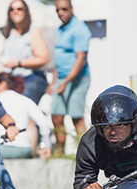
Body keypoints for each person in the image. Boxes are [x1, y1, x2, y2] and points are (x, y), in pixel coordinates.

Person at [48, 0, 91, 156]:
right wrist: (54, 81)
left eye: (64, 9)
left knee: (76, 117)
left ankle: (85, 155)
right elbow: (58, 59)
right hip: (61, 79)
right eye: (57, 9)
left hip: (77, 79)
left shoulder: (80, 29)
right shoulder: (60, 29)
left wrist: (66, 82)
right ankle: (60, 152)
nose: (60, 12)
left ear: (71, 8)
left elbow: (80, 60)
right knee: (56, 116)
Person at [0, 72, 52, 160]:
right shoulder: (25, 100)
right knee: (30, 124)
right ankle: (34, 154)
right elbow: (44, 123)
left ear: (3, 84)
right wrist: (45, 146)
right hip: (24, 149)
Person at [0, 0, 50, 105]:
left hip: (31, 80)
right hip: (13, 81)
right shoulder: (11, 32)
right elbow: (4, 56)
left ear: (26, 12)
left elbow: (43, 58)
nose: (15, 12)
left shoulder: (33, 31)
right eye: (12, 9)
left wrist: (18, 63)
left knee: (24, 113)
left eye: (19, 9)